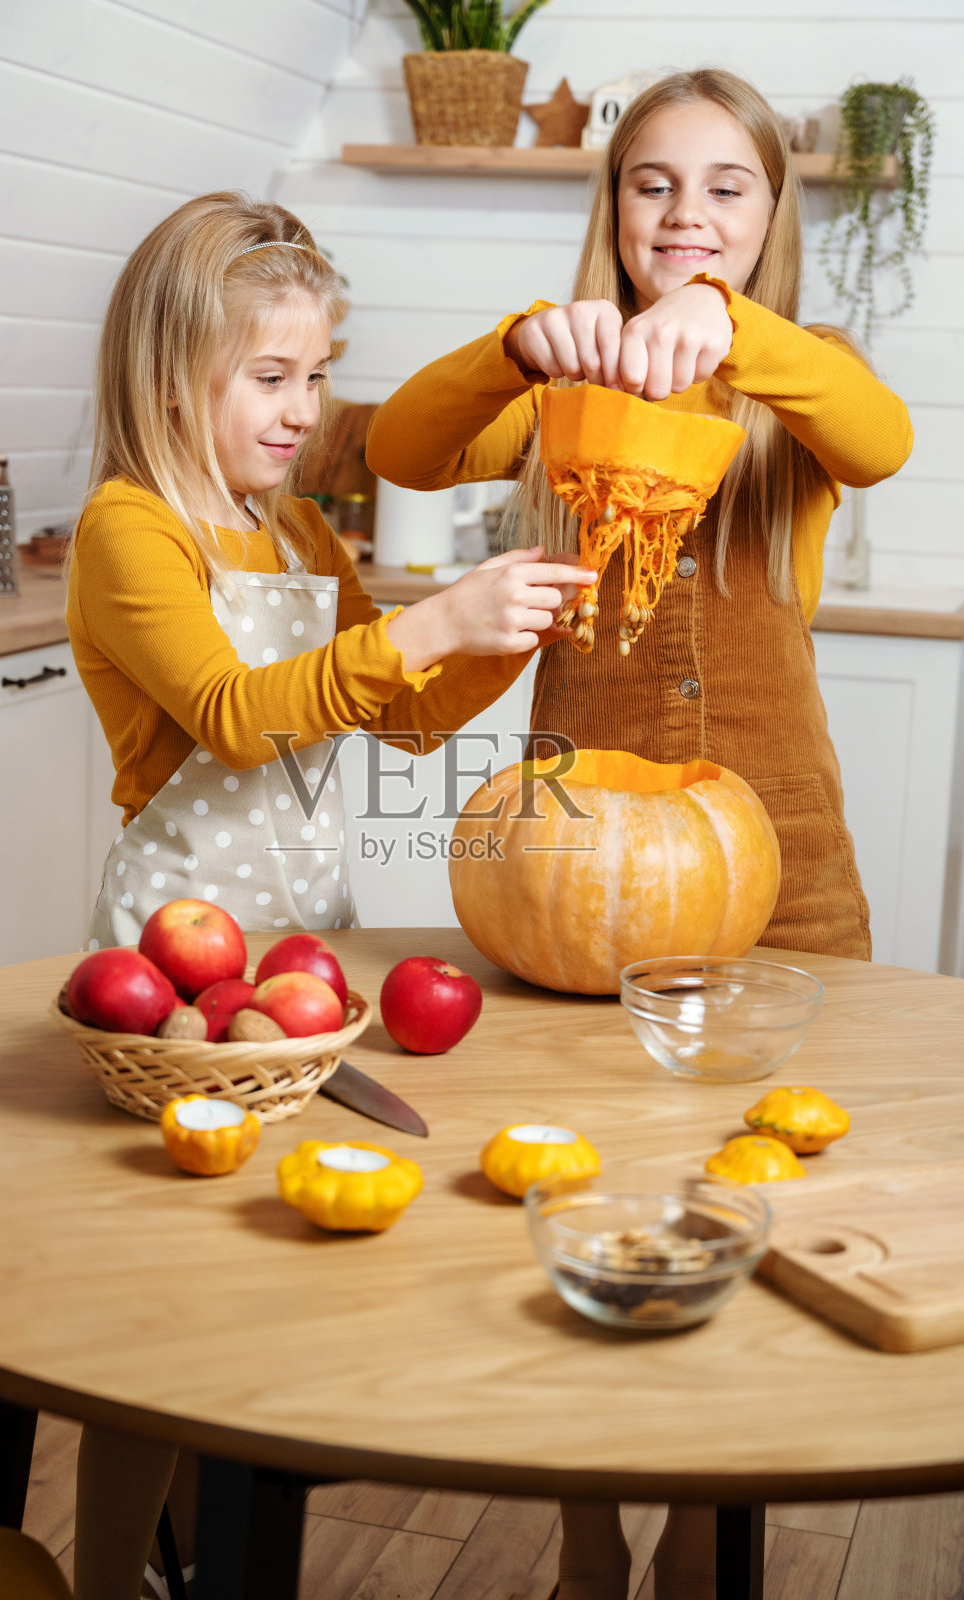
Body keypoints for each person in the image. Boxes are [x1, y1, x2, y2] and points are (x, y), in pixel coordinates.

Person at [365, 67, 913, 1600]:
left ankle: (705, 1531)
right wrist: (511, 345)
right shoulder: (559, 392)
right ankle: (588, 1531)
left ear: (771, 217)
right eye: (653, 185)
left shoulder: (797, 382)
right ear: (610, 215)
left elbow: (881, 438)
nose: (687, 216)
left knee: (758, 1190)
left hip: (778, 858)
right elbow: (403, 451)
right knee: (577, 1186)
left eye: (726, 188)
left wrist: (738, 331)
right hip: (572, 869)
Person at [65, 191, 593, 1600]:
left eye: (318, 373)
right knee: (159, 1321)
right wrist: (431, 620)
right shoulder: (135, 531)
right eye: (271, 377)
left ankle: (212, 1552)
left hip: (299, 953)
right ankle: (111, 1570)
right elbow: (242, 715)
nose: (307, 410)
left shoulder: (298, 536)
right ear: (174, 375)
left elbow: (402, 719)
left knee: (256, 1287)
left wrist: (501, 632)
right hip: (172, 978)